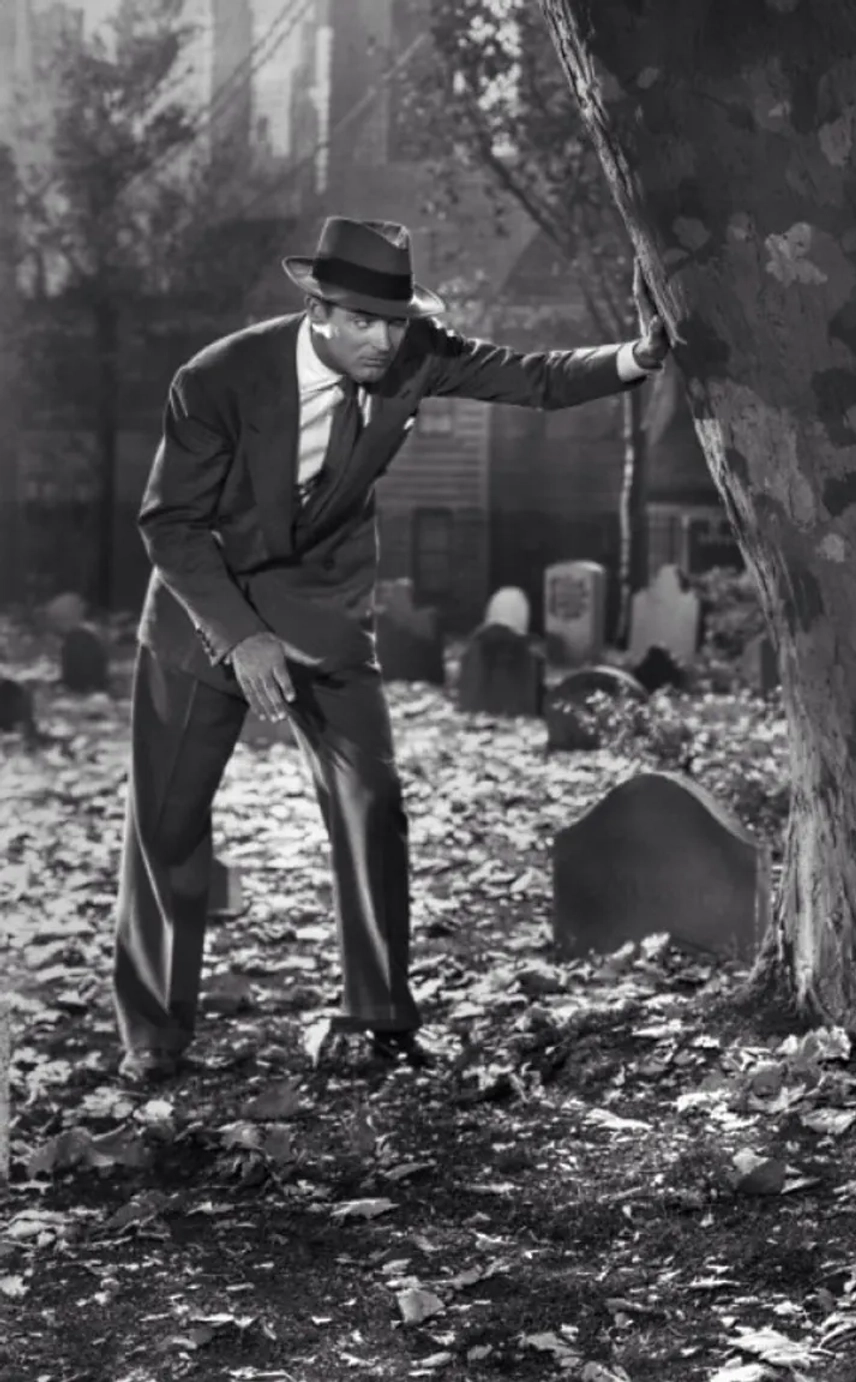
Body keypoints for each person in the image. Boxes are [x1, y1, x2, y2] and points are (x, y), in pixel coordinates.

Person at [113, 216, 671, 1084]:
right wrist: (242, 636)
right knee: (168, 824)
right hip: (202, 616)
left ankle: (377, 1016)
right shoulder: (218, 379)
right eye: (365, 322)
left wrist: (636, 357)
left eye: (397, 320)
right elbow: (170, 526)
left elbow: (534, 378)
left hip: (324, 610)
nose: (384, 340)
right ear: (318, 310)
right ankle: (153, 1036)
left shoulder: (413, 354)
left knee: (372, 801)